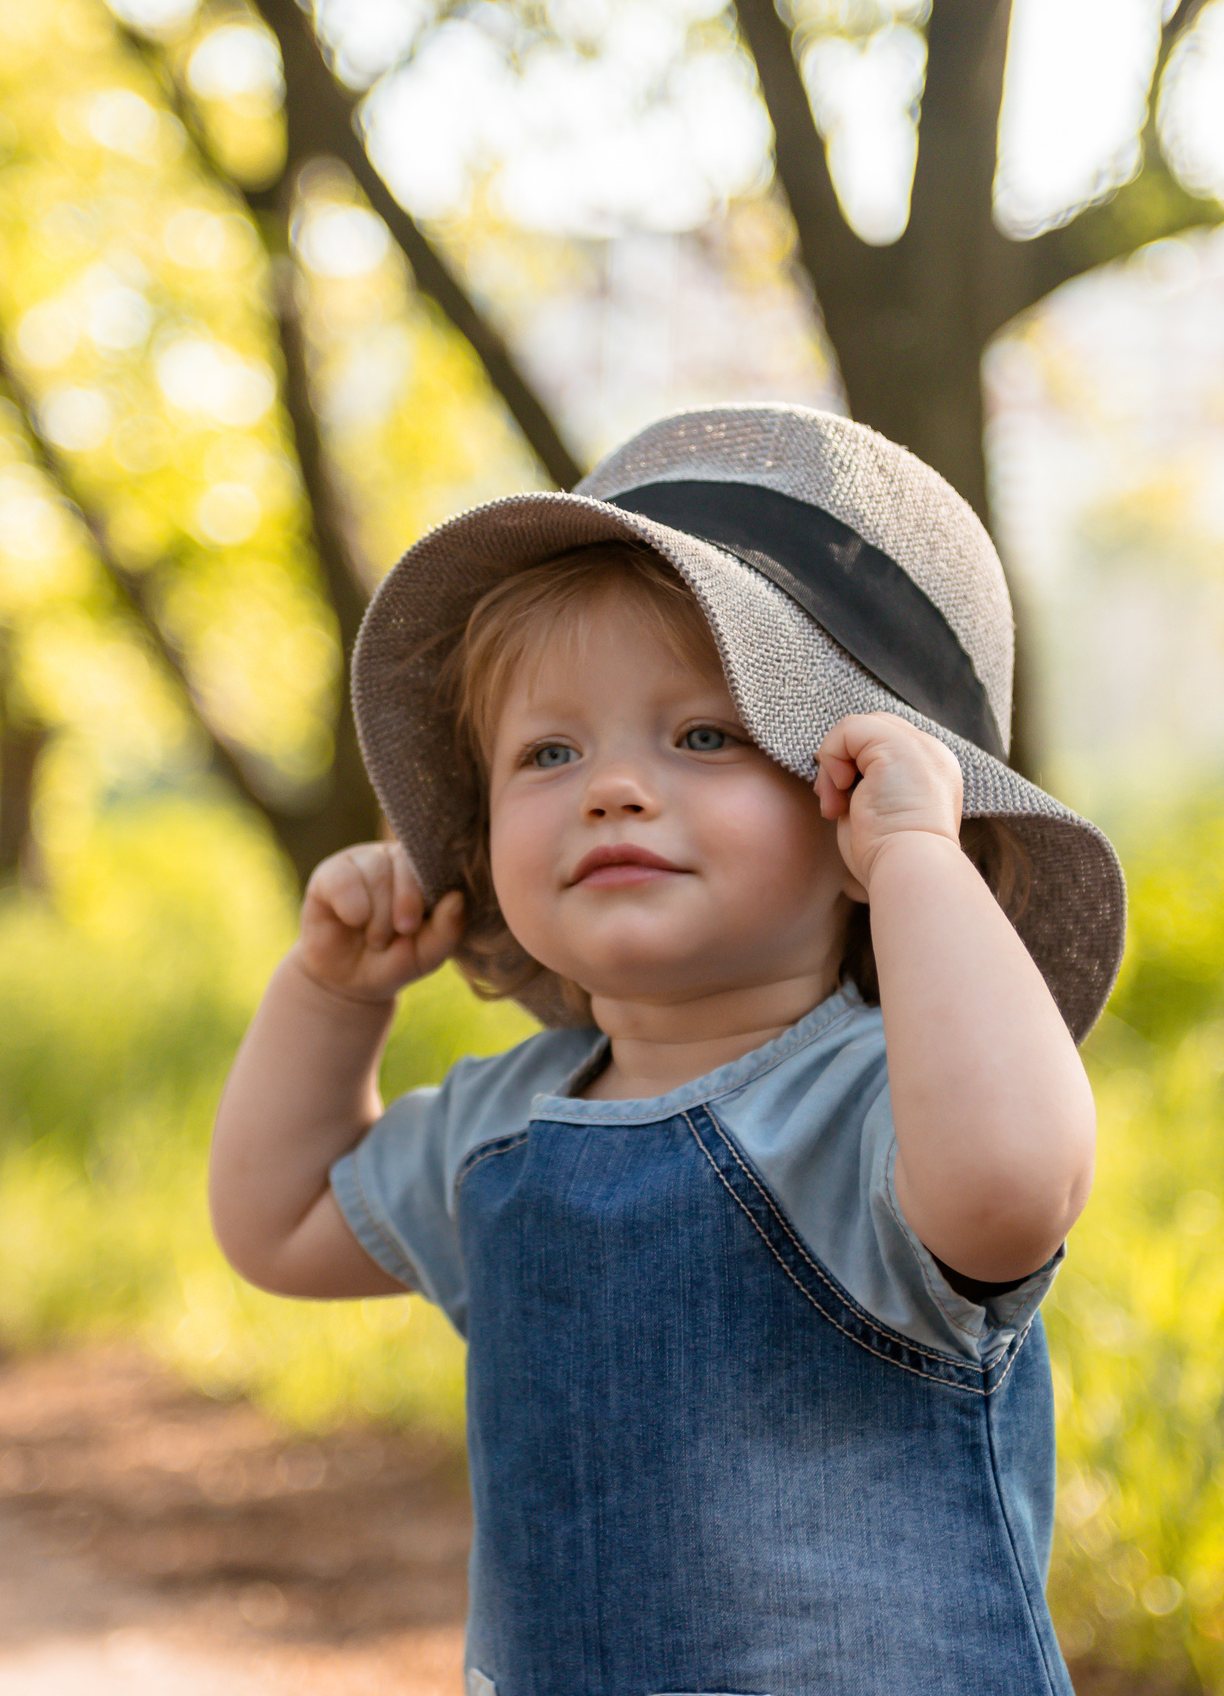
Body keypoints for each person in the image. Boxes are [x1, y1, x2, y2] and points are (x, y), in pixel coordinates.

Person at [209, 403, 1125, 1696]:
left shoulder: (873, 1112)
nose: (612, 785)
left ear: (854, 797)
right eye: (548, 750)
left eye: (704, 734)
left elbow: (1017, 1180)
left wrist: (920, 861)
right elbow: (278, 1220)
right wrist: (329, 996)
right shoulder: (504, 1133)